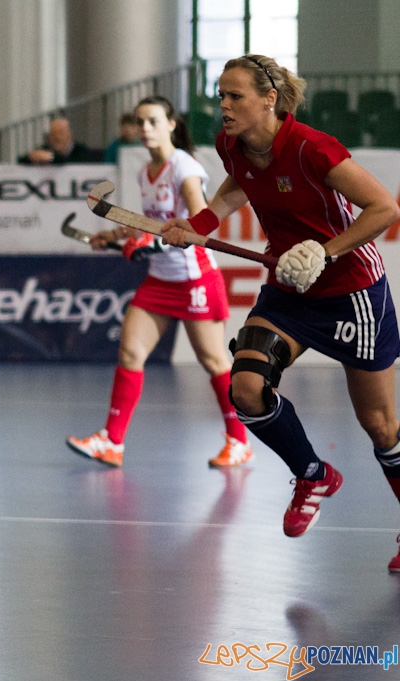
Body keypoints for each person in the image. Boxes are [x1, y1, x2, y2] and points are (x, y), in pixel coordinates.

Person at [160, 55, 400, 567]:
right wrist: (199, 221)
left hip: (351, 290)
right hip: (290, 290)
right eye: (220, 95)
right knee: (246, 388)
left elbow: (385, 208)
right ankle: (313, 474)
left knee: (379, 425)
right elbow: (237, 184)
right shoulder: (233, 145)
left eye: (234, 96)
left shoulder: (314, 149)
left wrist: (325, 251)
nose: (222, 105)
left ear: (268, 99)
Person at [66, 96, 253, 469]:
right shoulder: (144, 172)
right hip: (160, 277)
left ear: (171, 124)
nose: (144, 129)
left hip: (193, 276)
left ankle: (239, 441)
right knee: (131, 353)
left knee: (215, 360)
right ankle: (111, 442)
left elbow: (199, 222)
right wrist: (118, 235)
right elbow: (156, 221)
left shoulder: (183, 167)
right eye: (140, 122)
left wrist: (148, 241)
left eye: (153, 121)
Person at [18, 118, 102, 165]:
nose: (56, 137)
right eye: (53, 134)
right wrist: (31, 157)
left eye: (60, 133)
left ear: (69, 135)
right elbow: (21, 160)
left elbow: (70, 163)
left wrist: (51, 158)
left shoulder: (82, 151)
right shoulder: (45, 149)